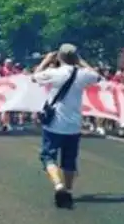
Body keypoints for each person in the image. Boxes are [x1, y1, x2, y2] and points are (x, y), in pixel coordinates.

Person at [32, 44, 101, 208]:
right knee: (69, 160)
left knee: (48, 156)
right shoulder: (82, 74)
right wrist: (81, 62)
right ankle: (68, 191)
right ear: (75, 57)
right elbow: (97, 77)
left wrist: (46, 60)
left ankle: (58, 185)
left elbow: (34, 77)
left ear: (59, 57)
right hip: (74, 125)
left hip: (54, 124)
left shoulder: (55, 73)